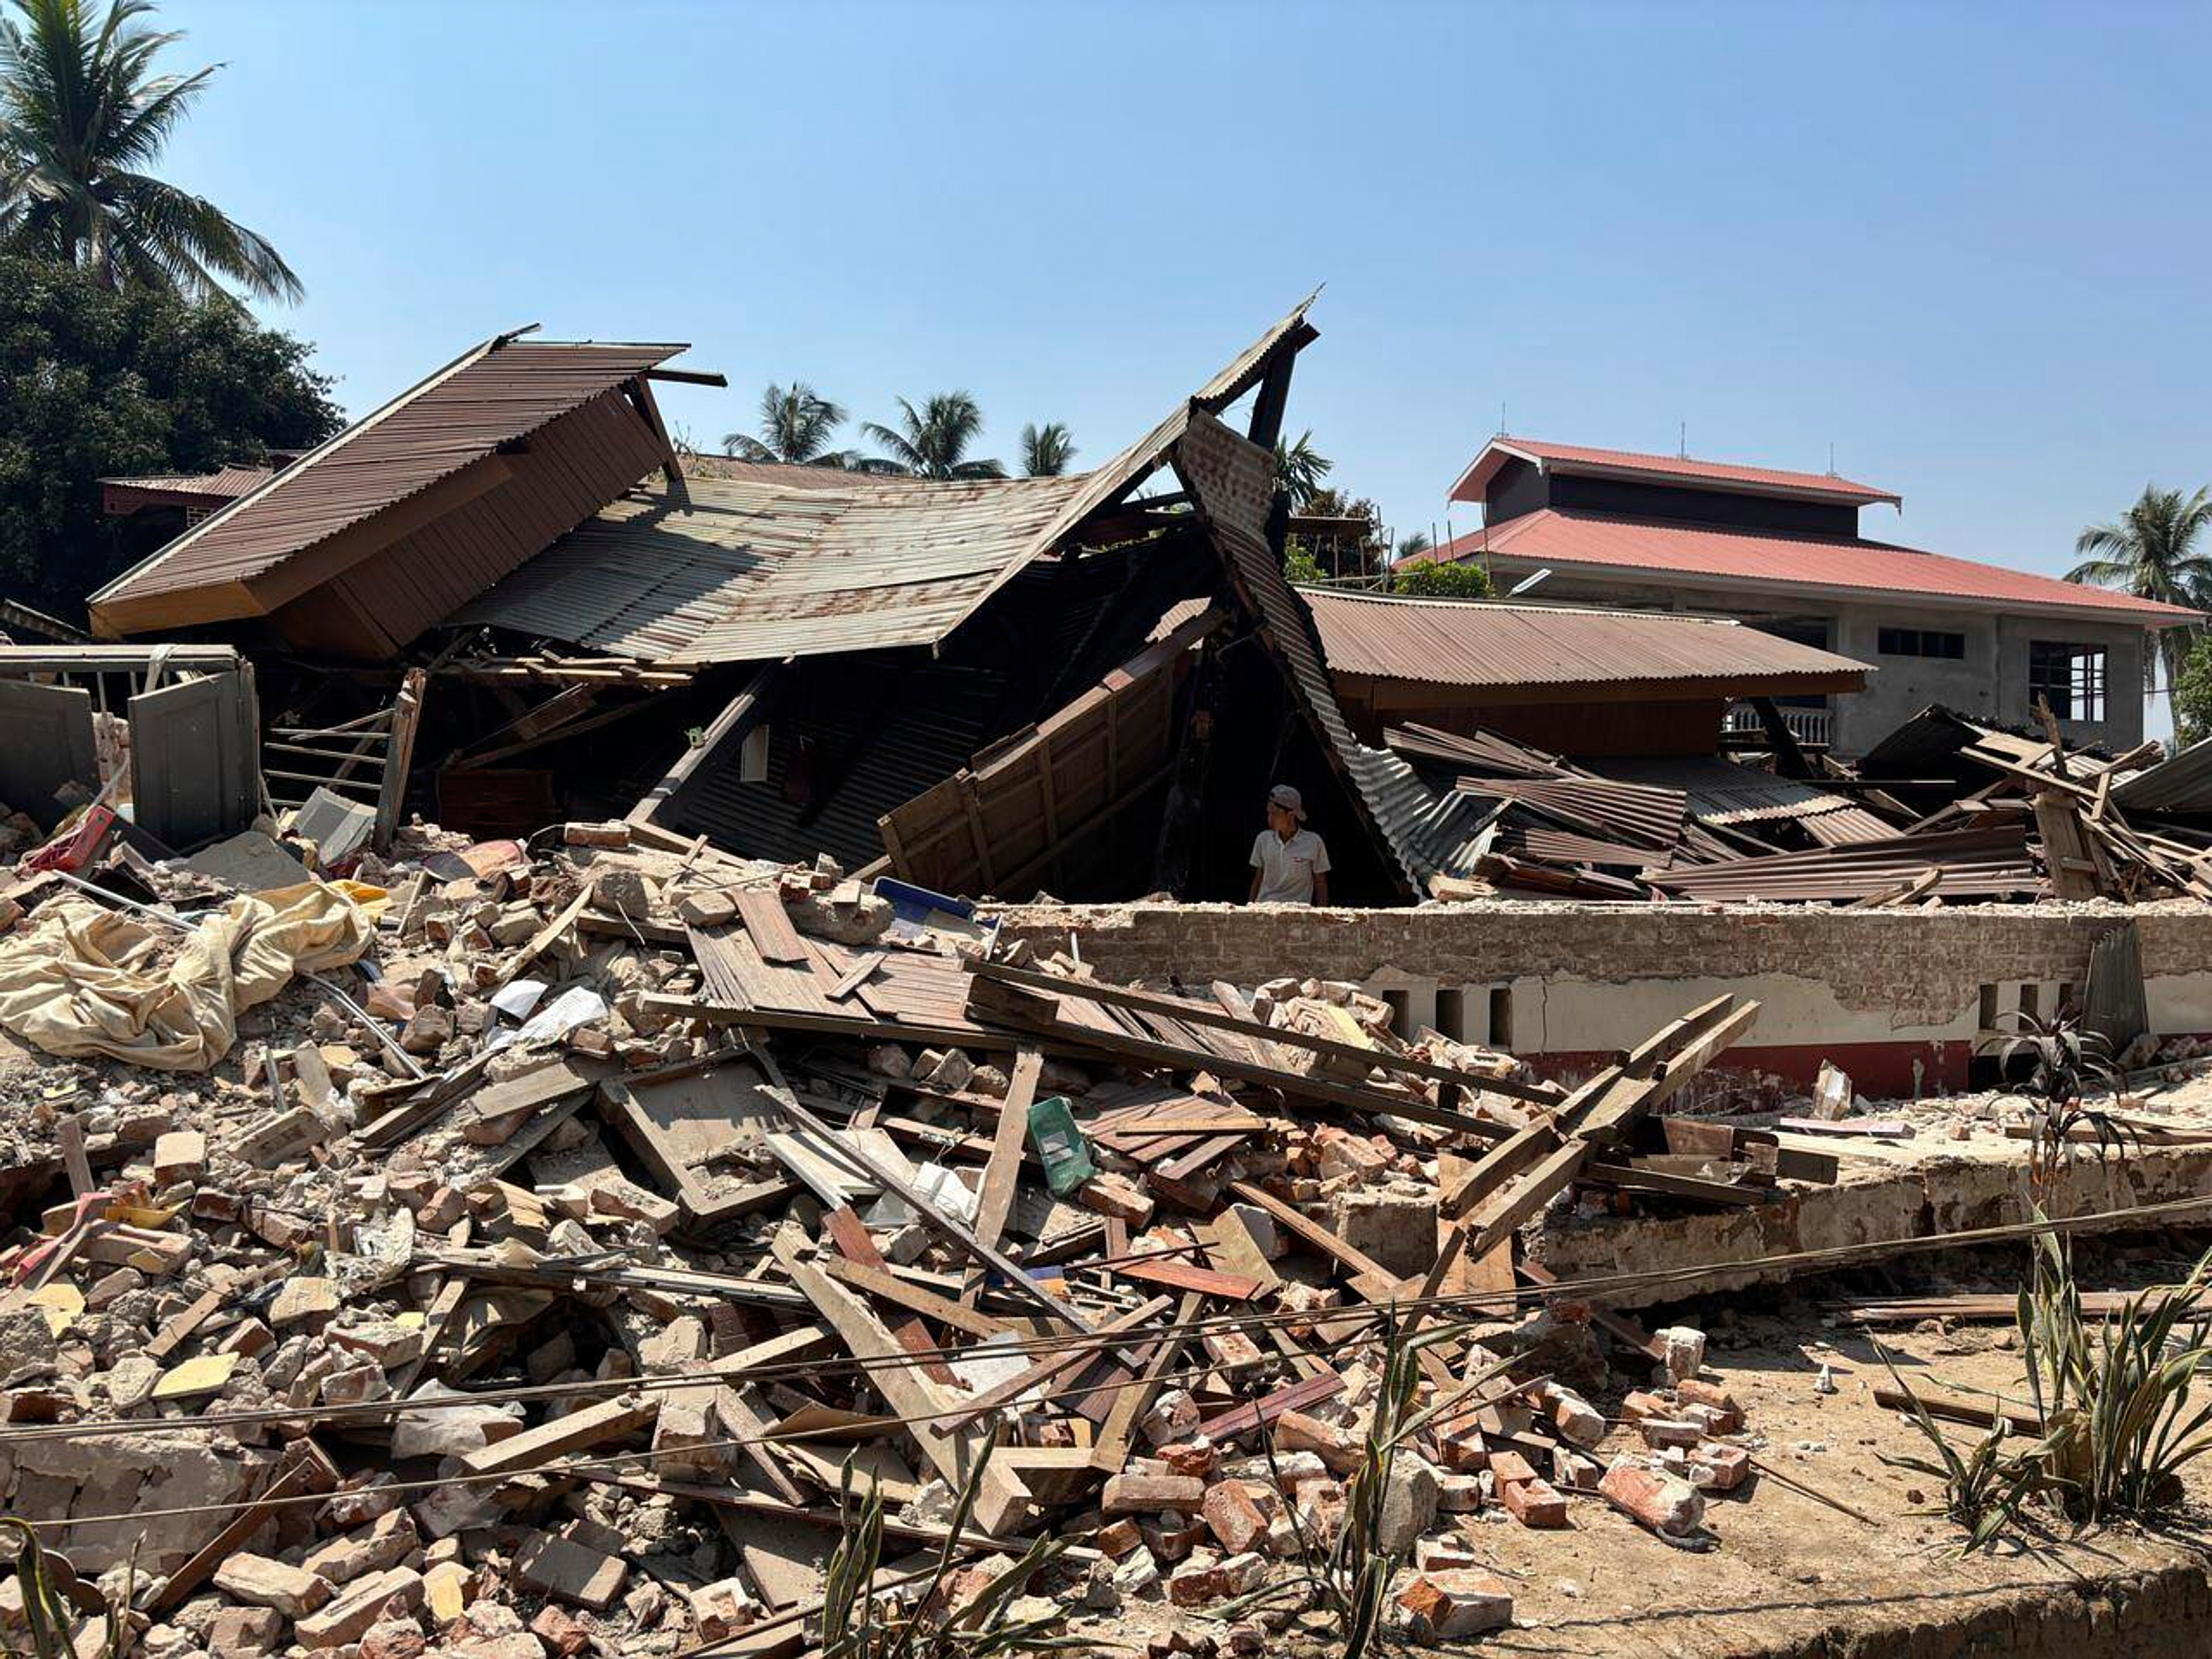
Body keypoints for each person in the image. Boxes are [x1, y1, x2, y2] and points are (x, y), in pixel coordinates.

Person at [1248, 784, 1331, 905]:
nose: (1269, 819)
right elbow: (1258, 878)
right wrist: (1250, 907)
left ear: (1291, 815)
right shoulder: (1263, 839)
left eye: (1274, 814)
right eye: (1268, 813)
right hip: (1264, 908)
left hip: (1297, 912)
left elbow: (1320, 882)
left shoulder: (1314, 842)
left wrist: (1323, 914)